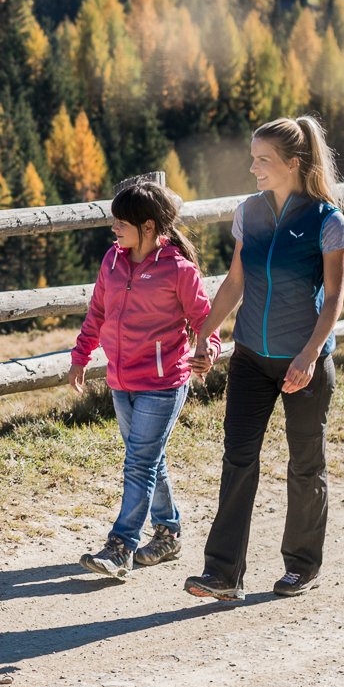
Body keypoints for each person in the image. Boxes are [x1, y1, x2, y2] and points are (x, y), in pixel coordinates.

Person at [184, 116, 344, 602]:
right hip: (251, 359)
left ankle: (302, 566)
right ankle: (222, 573)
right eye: (252, 158)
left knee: (305, 464)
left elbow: (336, 297)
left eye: (263, 160)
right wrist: (205, 333)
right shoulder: (249, 212)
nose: (253, 168)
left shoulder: (326, 220)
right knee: (238, 458)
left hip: (304, 362)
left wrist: (309, 355)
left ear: (293, 163)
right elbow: (235, 281)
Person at [70, 177, 217, 580]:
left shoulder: (178, 270)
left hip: (164, 383)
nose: (114, 228)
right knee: (150, 459)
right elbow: (97, 312)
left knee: (139, 462)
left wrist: (207, 350)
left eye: (122, 222)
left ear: (148, 226)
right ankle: (168, 532)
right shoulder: (112, 261)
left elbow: (205, 320)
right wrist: (80, 356)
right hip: (121, 381)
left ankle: (121, 547)